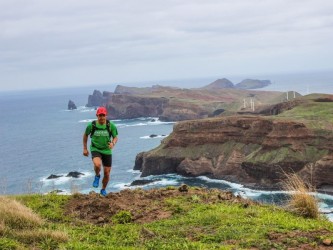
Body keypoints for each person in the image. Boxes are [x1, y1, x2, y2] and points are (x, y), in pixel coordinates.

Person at [83, 106, 118, 197]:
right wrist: (85, 148)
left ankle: (103, 189)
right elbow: (85, 135)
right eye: (100, 115)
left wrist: (113, 143)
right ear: (97, 116)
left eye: (103, 115)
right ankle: (97, 175)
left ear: (106, 115)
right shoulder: (92, 125)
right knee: (97, 165)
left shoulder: (110, 125)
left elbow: (116, 137)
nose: (101, 117)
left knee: (107, 173)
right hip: (96, 149)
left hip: (107, 150)